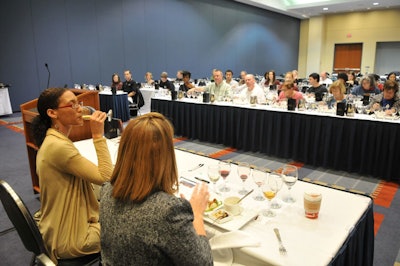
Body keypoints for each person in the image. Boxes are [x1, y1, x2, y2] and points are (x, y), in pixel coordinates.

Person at [100, 113, 213, 265]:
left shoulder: (107, 190)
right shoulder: (168, 210)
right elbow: (204, 263)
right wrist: (197, 214)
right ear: (165, 155)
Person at [31, 88, 113, 263]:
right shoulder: (59, 147)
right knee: (131, 226)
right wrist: (98, 135)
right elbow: (106, 176)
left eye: (79, 104)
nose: (80, 109)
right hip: (71, 237)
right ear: (52, 113)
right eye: (72, 105)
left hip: (56, 226)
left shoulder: (53, 140)